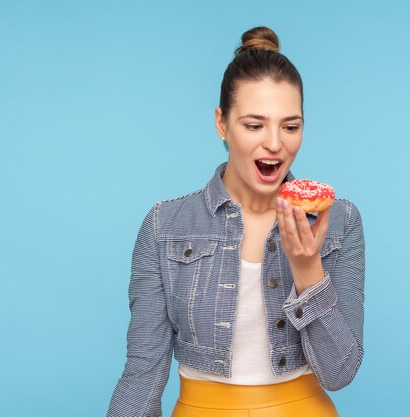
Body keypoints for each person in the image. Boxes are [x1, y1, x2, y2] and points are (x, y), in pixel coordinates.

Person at [106, 26, 365, 417]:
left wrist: (308, 269)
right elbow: (142, 374)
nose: (275, 143)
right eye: (254, 125)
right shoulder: (165, 227)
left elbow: (339, 372)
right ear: (222, 124)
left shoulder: (339, 220)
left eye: (290, 126)